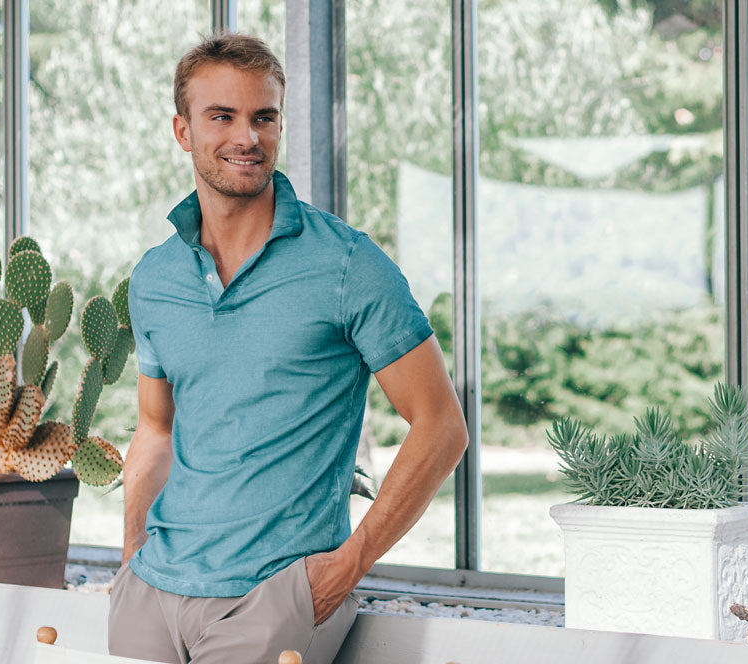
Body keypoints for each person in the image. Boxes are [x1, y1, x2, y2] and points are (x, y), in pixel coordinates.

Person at [108, 32, 468, 664]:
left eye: (263, 117)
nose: (246, 137)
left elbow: (441, 427)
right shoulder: (155, 278)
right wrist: (131, 557)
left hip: (274, 599)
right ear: (183, 130)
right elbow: (155, 431)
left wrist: (347, 566)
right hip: (151, 593)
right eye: (222, 116)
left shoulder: (347, 264)